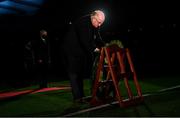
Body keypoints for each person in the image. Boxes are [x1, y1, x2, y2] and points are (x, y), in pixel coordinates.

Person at [62, 10, 106, 102]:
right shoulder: (82, 23)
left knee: (80, 73)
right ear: (93, 18)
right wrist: (95, 49)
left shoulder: (95, 24)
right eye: (99, 22)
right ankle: (77, 97)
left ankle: (81, 95)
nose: (99, 25)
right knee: (74, 74)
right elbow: (84, 40)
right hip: (71, 51)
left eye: (101, 23)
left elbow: (98, 37)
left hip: (81, 51)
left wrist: (105, 46)